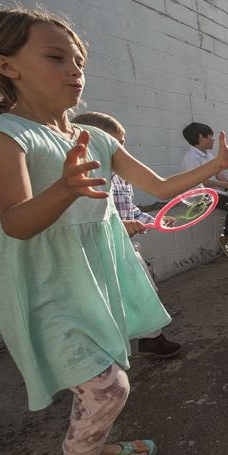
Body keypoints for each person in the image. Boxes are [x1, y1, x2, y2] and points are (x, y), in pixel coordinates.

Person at [0, 6, 228, 455]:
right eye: (56, 58)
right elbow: (16, 222)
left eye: (79, 62)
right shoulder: (4, 134)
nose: (74, 71)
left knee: (105, 372)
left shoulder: (95, 136)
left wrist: (215, 165)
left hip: (96, 272)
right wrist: (65, 189)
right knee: (108, 387)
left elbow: (162, 188)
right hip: (46, 283)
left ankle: (96, 450)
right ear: (6, 65)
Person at [72, 111, 181, 358]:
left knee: (145, 289)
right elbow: (79, 219)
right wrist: (121, 224)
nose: (120, 150)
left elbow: (131, 209)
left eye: (121, 143)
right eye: (113, 143)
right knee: (105, 303)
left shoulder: (121, 177)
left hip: (123, 246)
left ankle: (150, 339)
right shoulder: (81, 179)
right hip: (92, 253)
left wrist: (154, 220)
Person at [182, 121, 228, 259]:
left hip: (214, 191)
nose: (213, 140)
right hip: (200, 195)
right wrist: (225, 186)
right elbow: (204, 182)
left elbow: (219, 173)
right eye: (210, 137)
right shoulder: (191, 158)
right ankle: (227, 240)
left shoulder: (208, 155)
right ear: (201, 137)